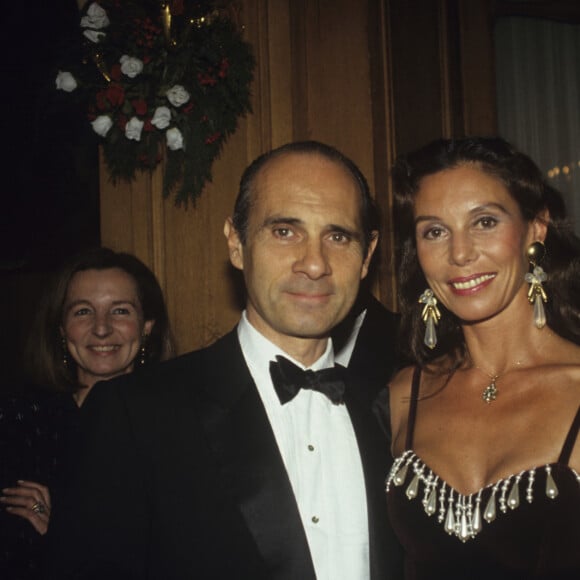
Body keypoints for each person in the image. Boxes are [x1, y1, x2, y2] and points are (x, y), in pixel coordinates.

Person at [46, 141, 404, 579]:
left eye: (337, 236)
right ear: (236, 243)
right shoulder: (135, 415)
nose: (314, 263)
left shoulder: (396, 412)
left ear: (366, 256)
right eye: (285, 231)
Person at [381, 136, 580, 578]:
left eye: (484, 222)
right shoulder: (402, 396)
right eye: (434, 231)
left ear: (536, 227)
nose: (460, 253)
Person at [0, 247, 174, 579]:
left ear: (147, 325)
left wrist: (65, 529)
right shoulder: (19, 424)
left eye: (120, 311)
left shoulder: (180, 423)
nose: (102, 329)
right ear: (62, 329)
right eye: (83, 312)